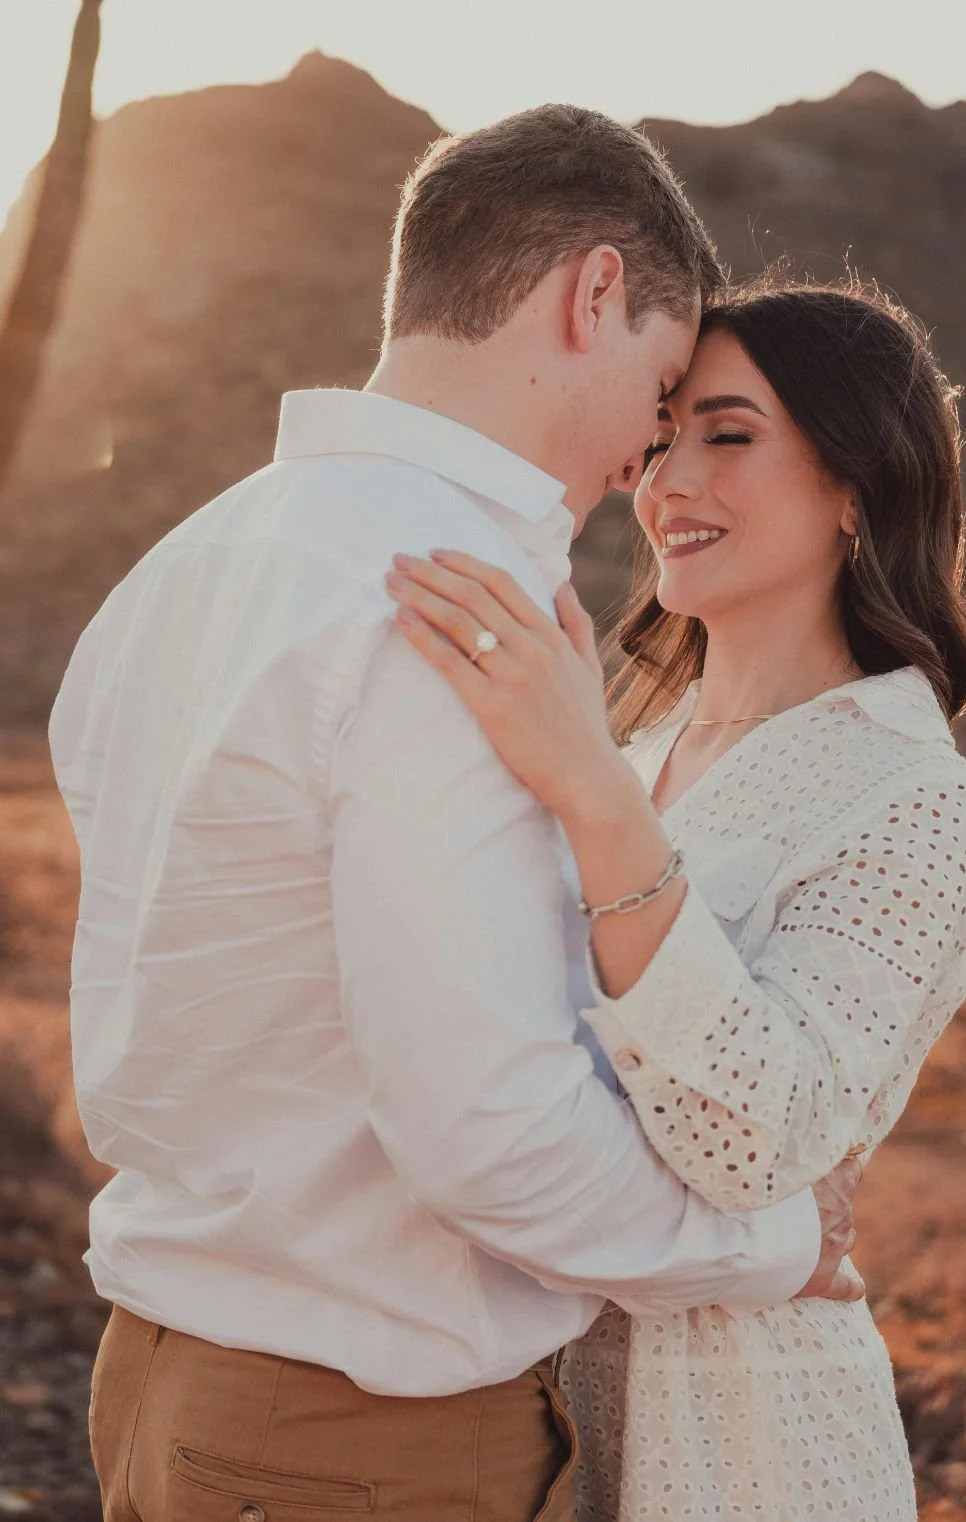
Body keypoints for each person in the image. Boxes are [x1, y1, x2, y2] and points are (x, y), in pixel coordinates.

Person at [49, 110, 861, 1522]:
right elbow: (493, 1136)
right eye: (661, 385)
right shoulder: (457, 611)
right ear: (592, 292)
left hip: (160, 1385)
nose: (649, 454)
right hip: (357, 1444)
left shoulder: (190, 562)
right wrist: (774, 1245)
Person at [384, 281, 966, 1522]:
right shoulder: (635, 742)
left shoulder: (905, 789)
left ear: (856, 487)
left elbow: (759, 1144)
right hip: (524, 1410)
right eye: (660, 437)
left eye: (727, 434)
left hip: (744, 1439)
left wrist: (590, 796)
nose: (666, 482)